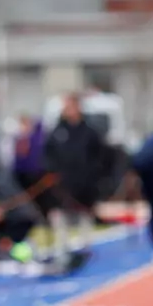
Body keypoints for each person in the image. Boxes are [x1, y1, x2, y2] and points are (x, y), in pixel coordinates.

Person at [43, 94, 107, 252]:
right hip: (61, 184)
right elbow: (47, 155)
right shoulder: (57, 132)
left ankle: (85, 247)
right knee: (59, 215)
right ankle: (61, 248)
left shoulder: (90, 132)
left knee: (84, 215)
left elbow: (99, 156)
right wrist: (51, 173)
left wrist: (94, 176)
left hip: (85, 183)